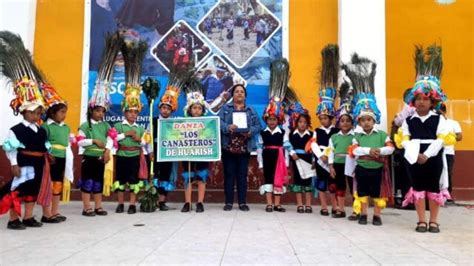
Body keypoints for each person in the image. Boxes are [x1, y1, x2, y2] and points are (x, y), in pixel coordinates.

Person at [397, 45, 454, 233]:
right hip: (414, 157)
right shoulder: (409, 120)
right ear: (413, 101)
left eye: (425, 98)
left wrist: (427, 155)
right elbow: (404, 138)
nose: (421, 101)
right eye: (418, 98)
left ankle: (434, 220)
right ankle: (421, 220)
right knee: (418, 187)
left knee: (433, 188)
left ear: (432, 102)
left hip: (433, 157)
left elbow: (441, 139)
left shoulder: (439, 119)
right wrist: (416, 153)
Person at [219, 84, 262, 211]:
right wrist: (227, 127)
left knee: (242, 175)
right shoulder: (226, 108)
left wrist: (250, 131)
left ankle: (242, 202)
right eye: (236, 91)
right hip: (228, 147)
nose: (239, 93)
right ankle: (228, 202)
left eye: (241, 92)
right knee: (229, 175)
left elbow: (258, 126)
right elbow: (219, 122)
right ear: (232, 94)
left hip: (244, 148)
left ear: (245, 95)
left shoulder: (251, 110)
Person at [181, 91, 209, 213]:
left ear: (202, 110)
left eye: (199, 108)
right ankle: (187, 202)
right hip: (187, 153)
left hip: (202, 153)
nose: (197, 110)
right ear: (189, 109)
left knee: (201, 176)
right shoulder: (183, 123)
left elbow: (210, 137)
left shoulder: (208, 124)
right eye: (194, 108)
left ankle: (200, 202)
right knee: (188, 177)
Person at [287, 105, 314, 213]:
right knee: (298, 181)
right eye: (300, 122)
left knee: (308, 182)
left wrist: (314, 161)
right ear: (296, 123)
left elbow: (314, 148)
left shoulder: (311, 135)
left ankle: (308, 204)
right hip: (296, 159)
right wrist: (292, 154)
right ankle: (299, 204)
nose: (302, 124)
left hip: (307, 160)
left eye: (304, 122)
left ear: (308, 124)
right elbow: (289, 147)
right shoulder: (292, 135)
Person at [439, 103, 462, 201]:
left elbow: (460, 136)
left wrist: (450, 138)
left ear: (444, 112)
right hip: (435, 152)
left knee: (447, 173)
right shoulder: (434, 122)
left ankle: (447, 194)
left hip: (448, 152)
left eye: (440, 113)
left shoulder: (453, 123)